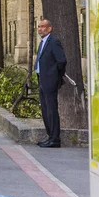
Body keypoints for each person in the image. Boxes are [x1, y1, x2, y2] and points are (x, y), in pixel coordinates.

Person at [35, 19, 67, 148]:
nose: (40, 29)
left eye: (43, 27)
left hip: (50, 80)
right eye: (39, 26)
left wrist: (55, 76)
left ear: (49, 28)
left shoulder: (53, 42)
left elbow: (62, 60)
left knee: (51, 110)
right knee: (45, 109)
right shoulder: (43, 42)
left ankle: (55, 139)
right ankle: (50, 137)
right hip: (42, 79)